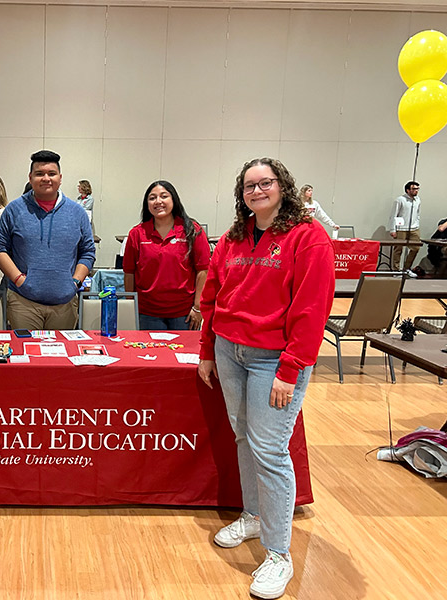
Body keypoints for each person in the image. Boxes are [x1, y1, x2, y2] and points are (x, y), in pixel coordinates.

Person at [197, 158, 335, 600]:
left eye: (266, 183)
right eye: (250, 185)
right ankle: (254, 516)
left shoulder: (307, 237)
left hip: (274, 359)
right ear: (242, 193)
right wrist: (206, 350)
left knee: (271, 450)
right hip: (229, 350)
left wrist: (290, 369)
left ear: (282, 187)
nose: (258, 190)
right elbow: (212, 295)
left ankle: (279, 553)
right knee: (243, 437)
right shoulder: (235, 238)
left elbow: (313, 308)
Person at [0, 150, 95, 329]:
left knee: (60, 356)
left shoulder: (77, 212)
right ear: (30, 177)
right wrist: (18, 279)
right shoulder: (14, 209)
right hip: (23, 302)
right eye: (39, 174)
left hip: (65, 303)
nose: (46, 178)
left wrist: (75, 282)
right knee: (25, 355)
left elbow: (88, 252)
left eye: (51, 174)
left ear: (60, 178)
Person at [122, 181, 210, 330]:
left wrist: (197, 307)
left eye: (164, 196)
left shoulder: (192, 231)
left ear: (173, 200)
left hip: (184, 313)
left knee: (183, 353)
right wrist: (131, 305)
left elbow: (203, 270)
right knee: (148, 353)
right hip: (147, 313)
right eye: (152, 198)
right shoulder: (136, 233)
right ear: (147, 204)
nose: (158, 202)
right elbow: (129, 272)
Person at [388, 181, 421, 272]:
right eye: (414, 189)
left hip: (414, 228)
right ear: (408, 190)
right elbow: (394, 215)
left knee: (416, 248)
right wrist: (393, 229)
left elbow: (418, 214)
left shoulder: (417, 200)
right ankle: (396, 270)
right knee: (398, 249)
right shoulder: (400, 200)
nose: (416, 191)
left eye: (417, 189)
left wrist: (417, 223)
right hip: (401, 228)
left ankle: (407, 268)